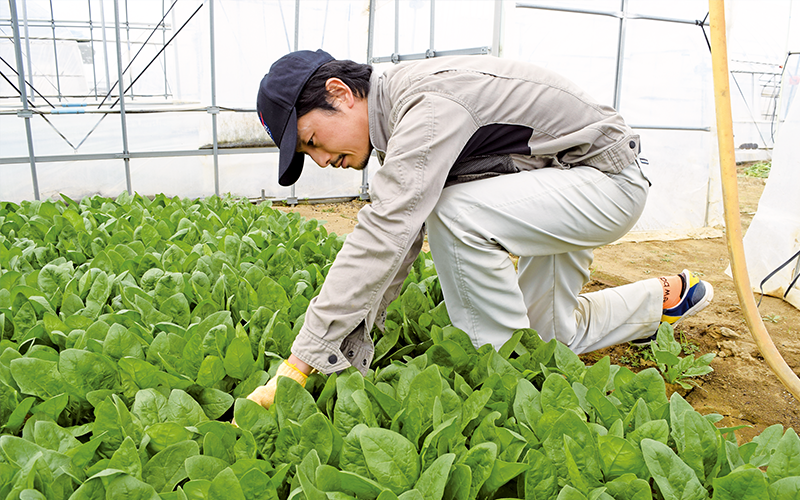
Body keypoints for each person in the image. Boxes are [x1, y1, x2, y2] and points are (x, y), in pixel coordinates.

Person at [244, 49, 714, 408]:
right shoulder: (403, 113)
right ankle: (658, 299)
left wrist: (299, 363)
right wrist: (346, 348)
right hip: (559, 181)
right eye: (309, 157)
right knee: (549, 341)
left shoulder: (424, 107)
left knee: (453, 211)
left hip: (604, 181)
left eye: (312, 142)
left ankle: (505, 379)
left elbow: (383, 233)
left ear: (341, 94)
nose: (325, 161)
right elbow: (398, 244)